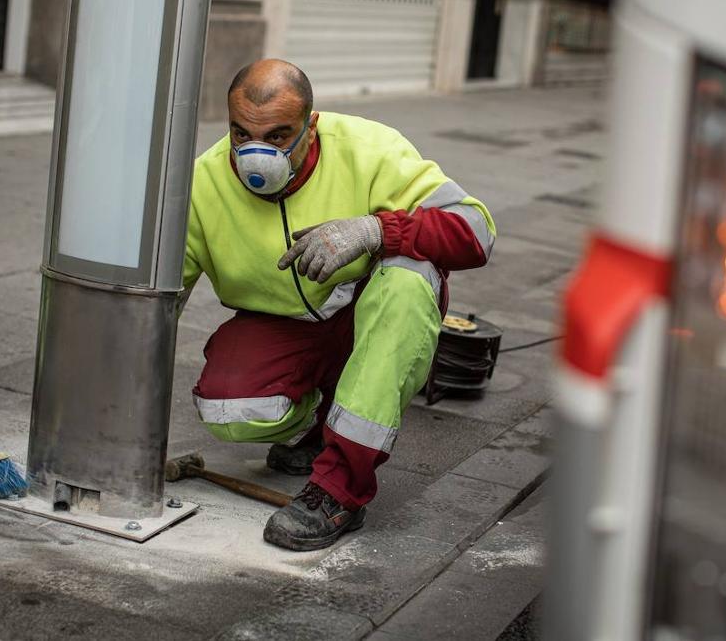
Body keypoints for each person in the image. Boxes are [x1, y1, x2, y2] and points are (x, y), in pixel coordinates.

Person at [182, 59, 495, 550]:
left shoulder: (371, 149)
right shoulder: (204, 181)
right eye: (241, 135)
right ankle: (318, 422)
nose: (255, 154)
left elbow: (476, 232)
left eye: (279, 135)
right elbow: (156, 297)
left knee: (410, 275)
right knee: (228, 409)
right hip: (285, 326)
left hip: (368, 314)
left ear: (312, 125)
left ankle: (339, 489)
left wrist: (376, 230)